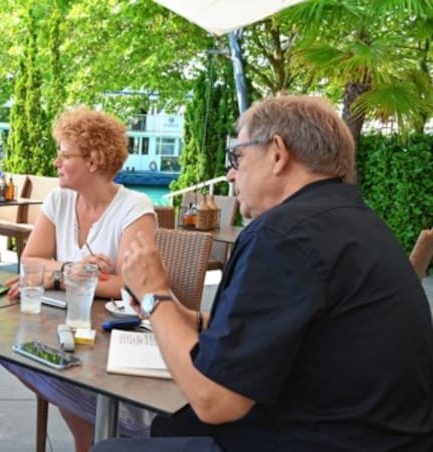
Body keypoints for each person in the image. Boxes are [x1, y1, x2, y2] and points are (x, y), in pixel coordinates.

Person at [93, 95, 433, 451]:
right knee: (171, 426)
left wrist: (155, 294)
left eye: (237, 157)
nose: (230, 173)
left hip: (323, 439)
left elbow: (215, 401)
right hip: (379, 434)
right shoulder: (353, 220)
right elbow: (288, 333)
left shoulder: (282, 235)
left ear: (277, 153)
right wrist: (181, 316)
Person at [1, 106, 158, 452]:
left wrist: (53, 274)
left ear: (94, 160)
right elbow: (29, 264)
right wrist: (71, 272)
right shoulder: (59, 199)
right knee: (14, 353)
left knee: (61, 367)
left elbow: (133, 286)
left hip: (114, 334)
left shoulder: (135, 207)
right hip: (65, 323)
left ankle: (97, 441)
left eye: (65, 154)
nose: (56, 162)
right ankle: (89, 441)